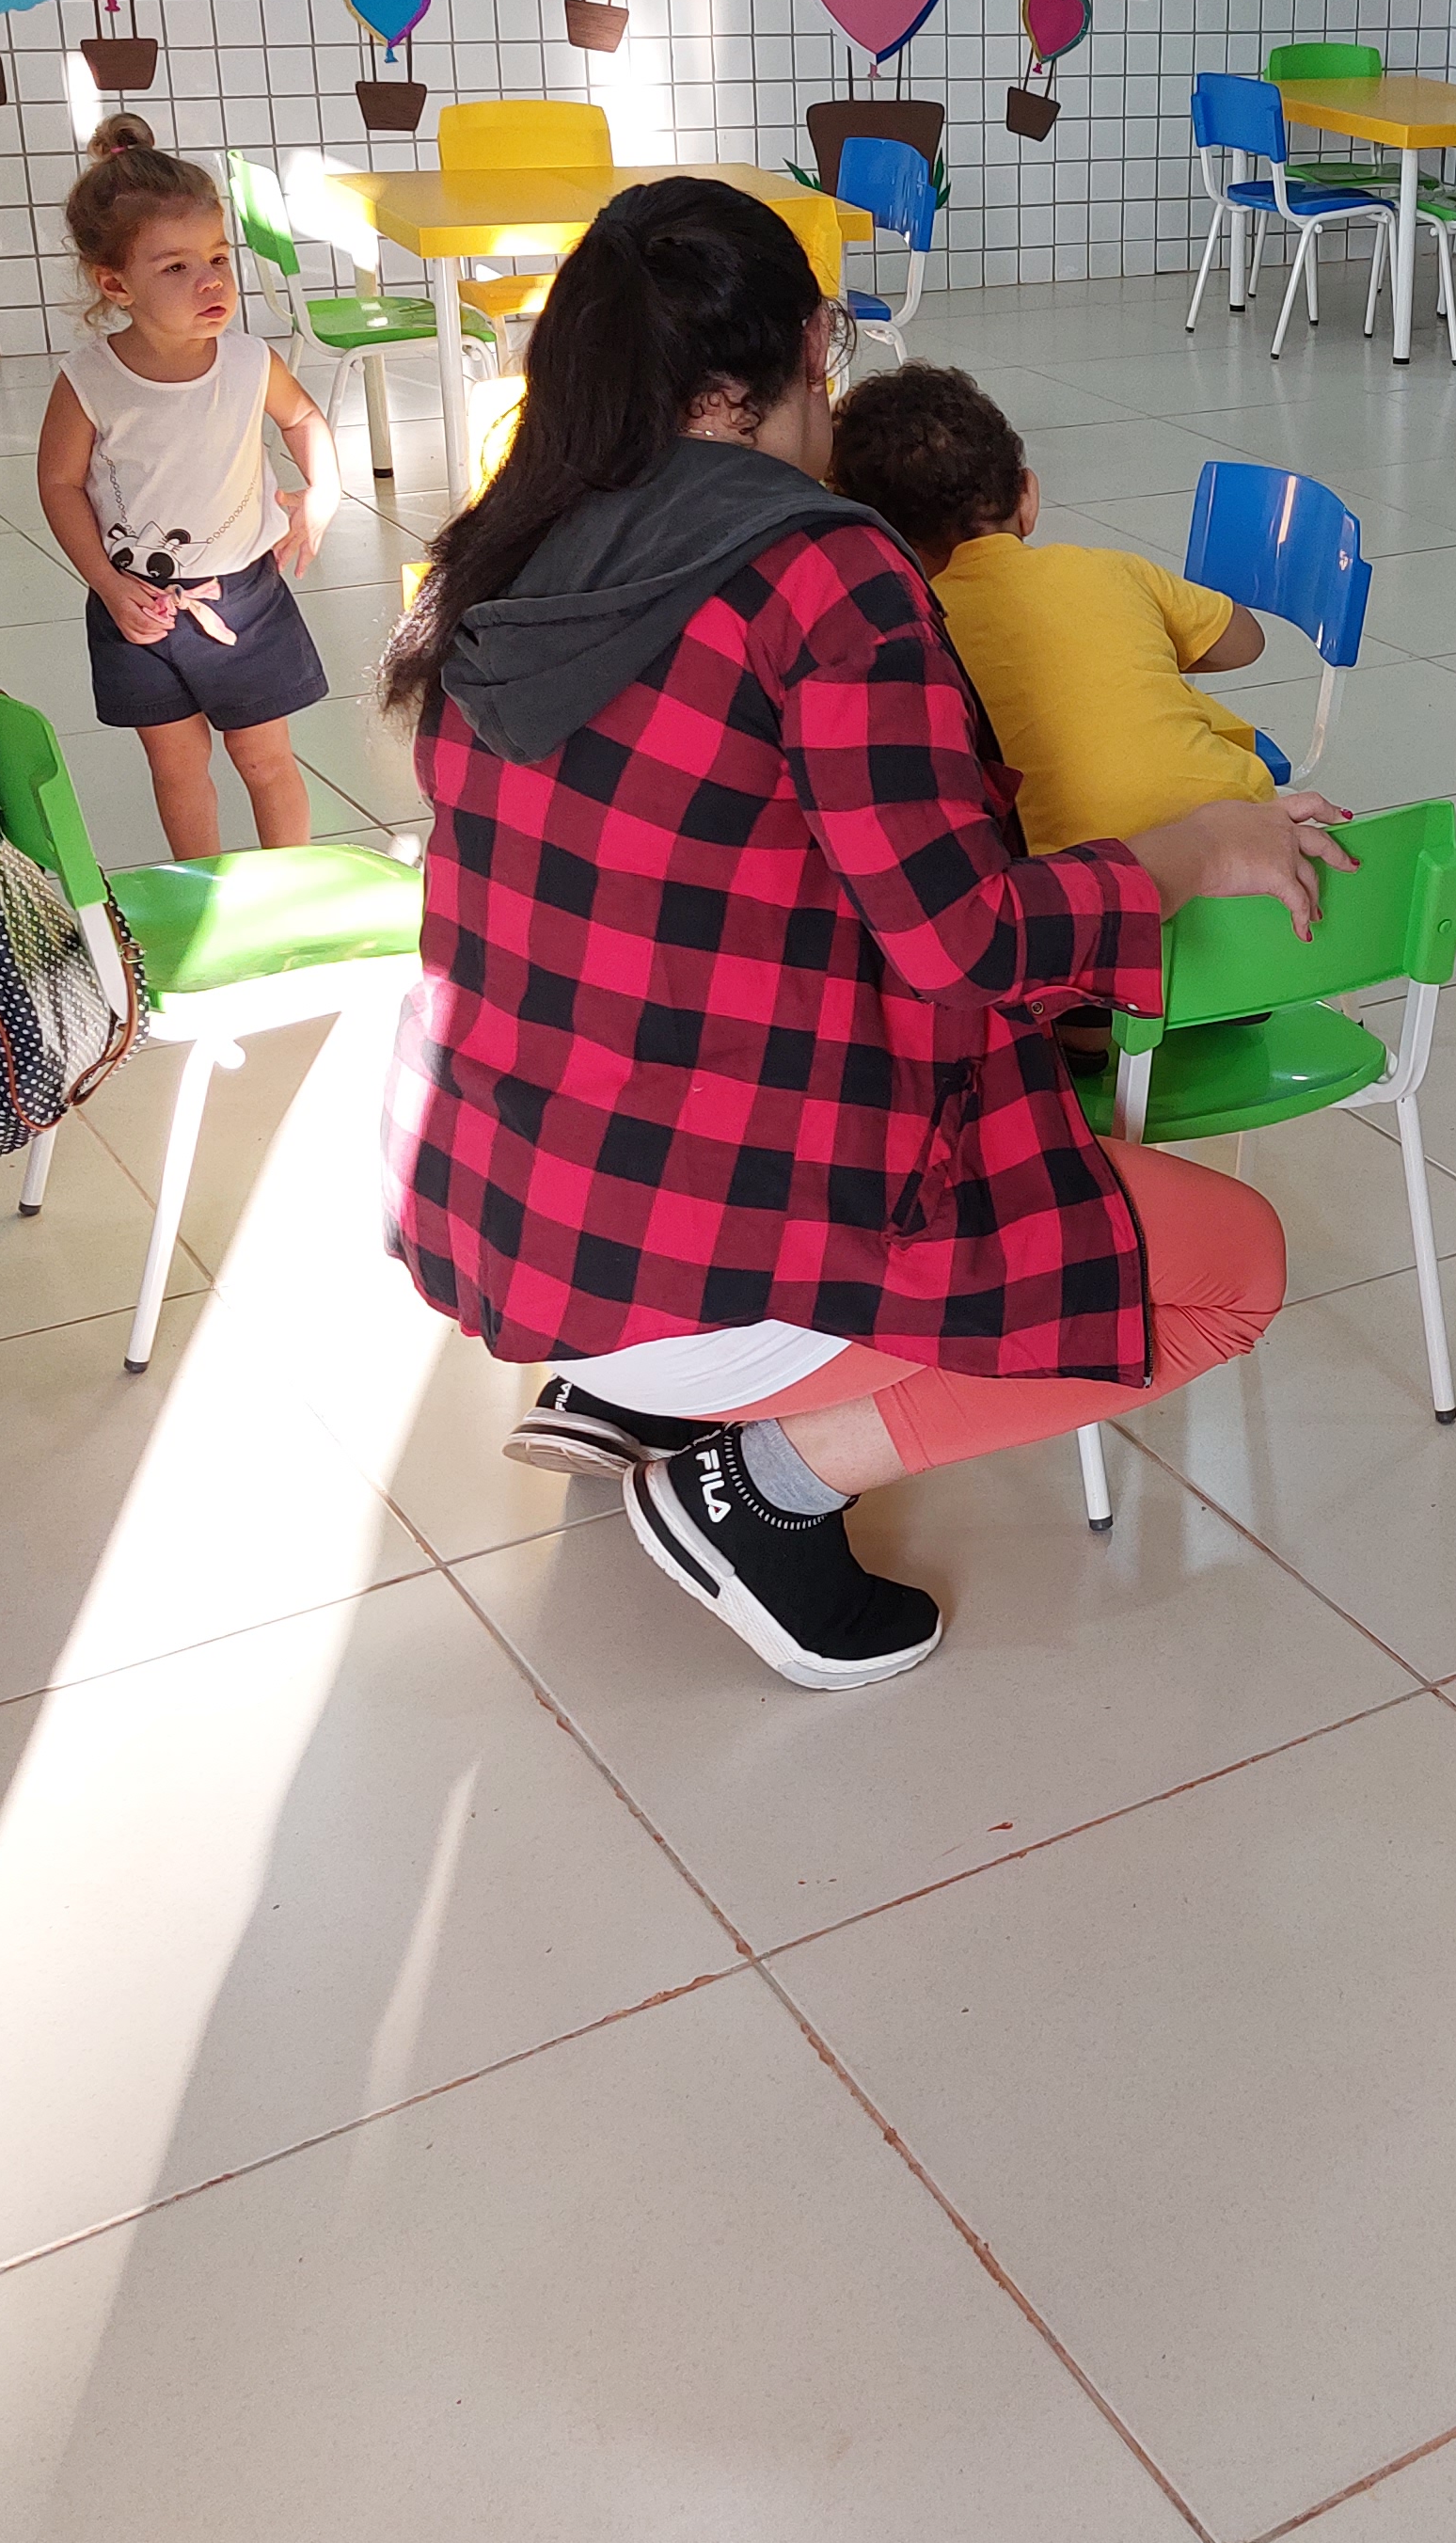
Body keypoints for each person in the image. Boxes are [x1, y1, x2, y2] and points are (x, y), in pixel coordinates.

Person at [378, 179, 1347, 1691]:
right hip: (698, 1244)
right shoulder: (821, 572)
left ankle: (640, 1397)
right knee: (1234, 1273)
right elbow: (966, 945)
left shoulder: (506, 542)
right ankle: (760, 1491)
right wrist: (1194, 849)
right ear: (818, 345)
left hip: (509, 1215)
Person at [32, 117, 340, 859]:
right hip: (134, 605)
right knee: (175, 765)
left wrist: (322, 490)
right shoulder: (89, 378)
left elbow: (303, 419)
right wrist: (107, 584)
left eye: (218, 258)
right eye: (175, 267)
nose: (210, 281)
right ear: (115, 284)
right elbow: (58, 483)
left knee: (264, 759)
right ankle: (201, 887)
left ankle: (290, 881)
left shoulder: (249, 362)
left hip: (245, 596)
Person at [830, 361, 1274, 853]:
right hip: (1255, 832)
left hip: (1084, 877)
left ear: (881, 541)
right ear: (1027, 495)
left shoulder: (914, 634)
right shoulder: (1109, 568)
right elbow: (1245, 643)